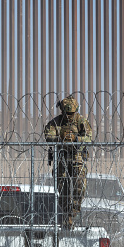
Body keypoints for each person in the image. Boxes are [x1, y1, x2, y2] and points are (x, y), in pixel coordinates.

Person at [43, 96, 92, 230]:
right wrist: (60, 138)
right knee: (62, 188)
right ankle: (66, 215)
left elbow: (89, 137)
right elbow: (48, 135)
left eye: (71, 113)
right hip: (61, 158)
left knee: (79, 186)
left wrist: (76, 138)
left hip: (77, 158)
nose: (69, 116)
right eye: (67, 113)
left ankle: (73, 212)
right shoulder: (56, 122)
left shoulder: (81, 121)